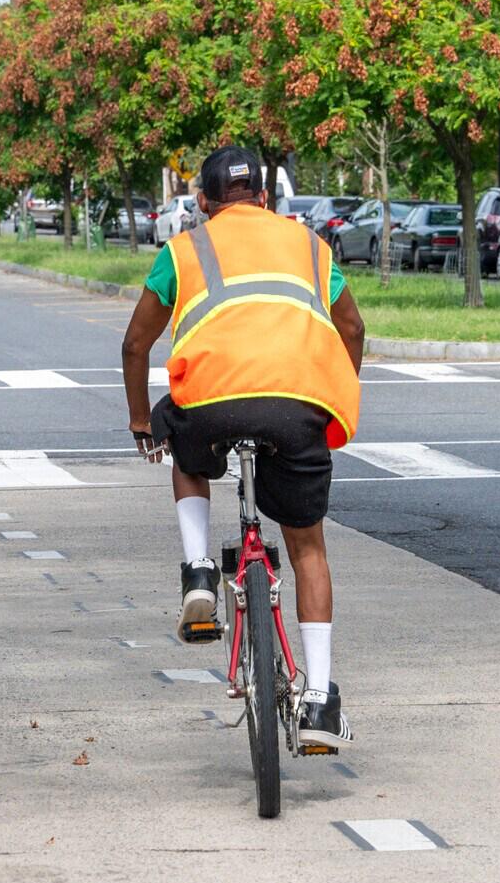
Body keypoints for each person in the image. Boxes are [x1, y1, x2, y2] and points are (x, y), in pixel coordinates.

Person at [120, 146, 366, 752]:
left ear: (202, 202)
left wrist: (140, 422)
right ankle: (319, 702)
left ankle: (199, 571)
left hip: (211, 403)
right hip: (297, 405)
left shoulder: (183, 250)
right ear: (265, 196)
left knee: (181, 445)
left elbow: (135, 344)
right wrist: (332, 395)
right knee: (306, 545)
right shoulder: (310, 245)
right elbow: (353, 329)